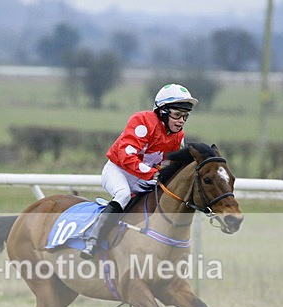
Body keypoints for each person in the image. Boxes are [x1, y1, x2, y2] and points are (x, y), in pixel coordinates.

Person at [80, 83, 198, 259]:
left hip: (145, 177)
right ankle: (93, 240)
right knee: (123, 195)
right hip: (119, 171)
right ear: (163, 111)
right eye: (177, 115)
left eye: (185, 116)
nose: (181, 120)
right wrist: (153, 174)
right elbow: (126, 156)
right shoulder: (142, 121)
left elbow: (172, 165)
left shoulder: (178, 135)